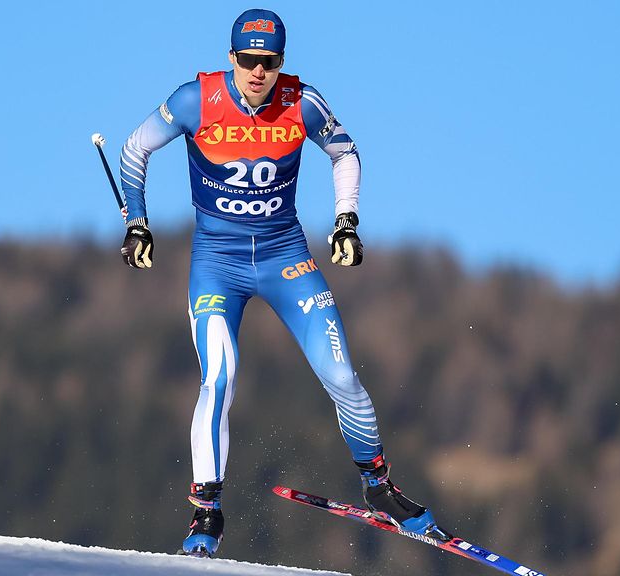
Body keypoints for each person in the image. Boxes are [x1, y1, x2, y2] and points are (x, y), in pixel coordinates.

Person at [115, 8, 440, 558]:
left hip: (285, 258)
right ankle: (206, 510)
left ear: (282, 61)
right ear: (231, 58)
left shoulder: (302, 101)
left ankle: (378, 484)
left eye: (268, 62)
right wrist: (137, 223)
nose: (258, 72)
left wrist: (346, 221)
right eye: (248, 60)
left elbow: (345, 153)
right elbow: (134, 148)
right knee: (219, 379)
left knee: (341, 374)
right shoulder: (196, 100)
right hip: (218, 264)